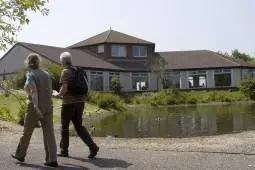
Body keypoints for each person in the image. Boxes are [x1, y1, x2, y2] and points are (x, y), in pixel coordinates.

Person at [11, 53, 58, 167]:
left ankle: (20, 154)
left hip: (34, 107)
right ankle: (52, 159)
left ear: (28, 63)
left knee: (27, 132)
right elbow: (50, 91)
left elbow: (34, 92)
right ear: (38, 62)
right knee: (49, 133)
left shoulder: (31, 75)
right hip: (48, 106)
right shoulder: (47, 74)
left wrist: (36, 107)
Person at [55, 51, 99, 158]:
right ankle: (92, 147)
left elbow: (64, 88)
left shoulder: (65, 71)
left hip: (69, 103)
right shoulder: (79, 70)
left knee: (64, 126)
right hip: (81, 102)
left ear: (62, 61)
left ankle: (64, 150)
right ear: (70, 60)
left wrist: (57, 95)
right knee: (79, 126)